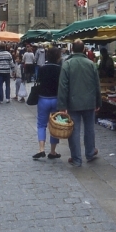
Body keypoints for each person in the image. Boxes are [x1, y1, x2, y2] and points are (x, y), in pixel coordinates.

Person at [57, 39, 102, 167]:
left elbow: (63, 86)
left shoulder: (67, 64)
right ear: (84, 49)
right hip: (89, 102)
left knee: (74, 131)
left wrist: (62, 105)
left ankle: (76, 159)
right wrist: (98, 101)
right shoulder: (91, 64)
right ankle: (89, 153)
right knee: (89, 129)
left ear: (72, 49)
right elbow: (97, 85)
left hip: (73, 103)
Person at [33, 47, 62, 160]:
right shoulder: (60, 69)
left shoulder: (42, 68)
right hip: (56, 99)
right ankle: (53, 151)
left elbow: (38, 81)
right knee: (54, 125)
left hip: (43, 99)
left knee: (41, 125)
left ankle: (41, 149)